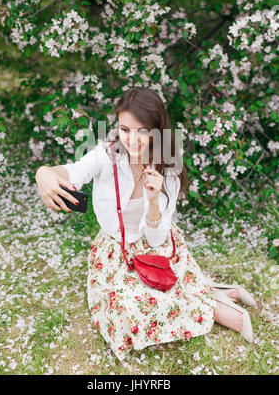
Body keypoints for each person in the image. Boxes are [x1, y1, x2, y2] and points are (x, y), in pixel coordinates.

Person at [35, 87, 257, 362]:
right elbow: (73, 171)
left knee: (159, 291)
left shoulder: (168, 167)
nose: (133, 139)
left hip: (158, 246)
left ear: (156, 130)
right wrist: (43, 173)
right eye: (125, 129)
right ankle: (213, 294)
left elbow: (156, 239)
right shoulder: (106, 154)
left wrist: (152, 202)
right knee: (127, 307)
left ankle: (215, 303)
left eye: (142, 131)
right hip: (115, 251)